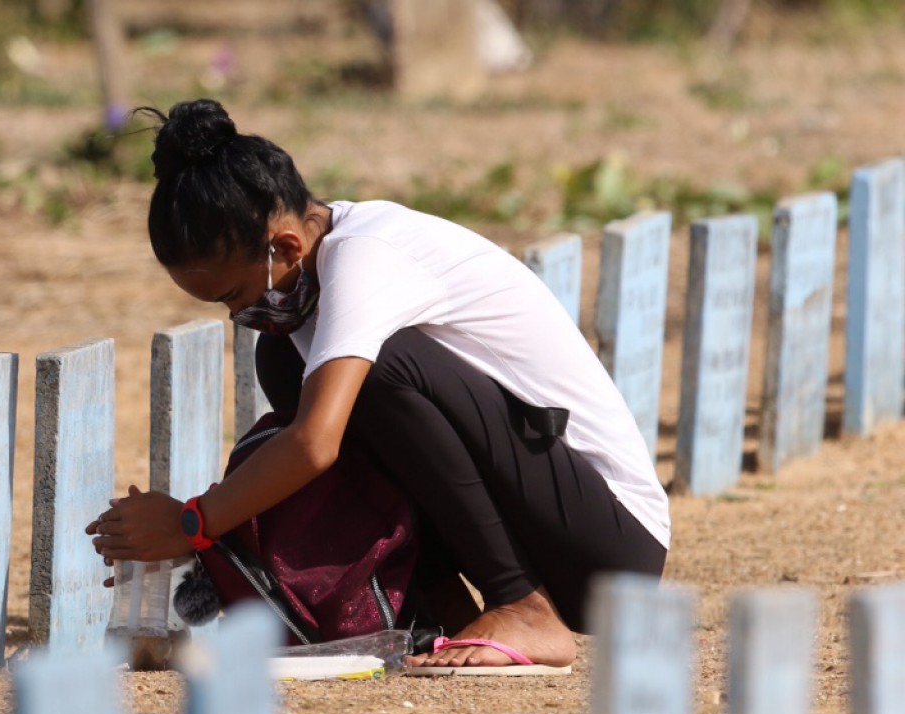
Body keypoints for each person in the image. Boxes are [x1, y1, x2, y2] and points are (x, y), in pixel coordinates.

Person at [86, 99, 669, 670]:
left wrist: (192, 523)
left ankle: (521, 604)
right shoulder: (307, 298)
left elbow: (314, 445)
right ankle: (445, 609)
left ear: (286, 246)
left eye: (234, 295)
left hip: (611, 541)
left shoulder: (366, 255)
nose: (238, 315)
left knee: (378, 367)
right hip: (545, 529)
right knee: (285, 362)